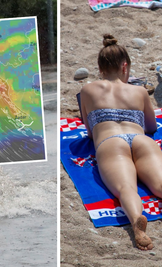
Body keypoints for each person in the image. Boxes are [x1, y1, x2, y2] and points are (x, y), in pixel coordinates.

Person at [80, 34, 162, 250]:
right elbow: (152, 127)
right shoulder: (140, 91)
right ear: (125, 67)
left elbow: (89, 132)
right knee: (160, 184)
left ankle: (137, 222)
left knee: (126, 187)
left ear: (100, 68)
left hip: (110, 142)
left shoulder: (87, 90)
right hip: (140, 139)